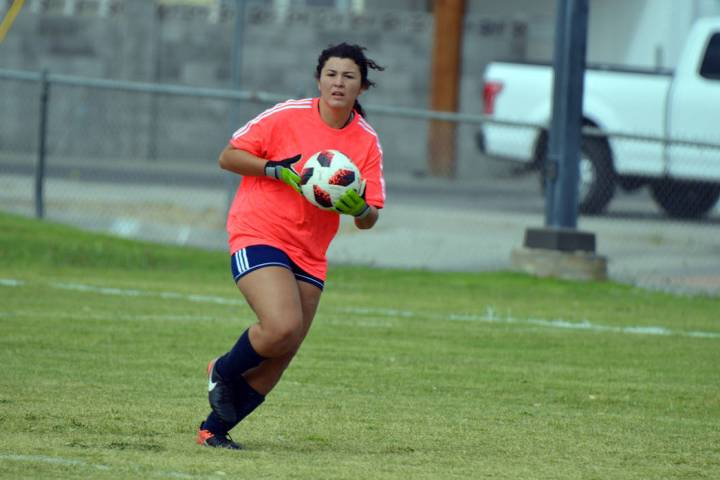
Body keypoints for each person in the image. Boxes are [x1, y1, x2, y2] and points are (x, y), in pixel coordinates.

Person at [196, 42, 386, 449]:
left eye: (348, 76)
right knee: (281, 325)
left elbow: (371, 218)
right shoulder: (287, 116)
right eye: (331, 74)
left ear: (361, 88)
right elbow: (228, 157)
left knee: (282, 351)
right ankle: (223, 370)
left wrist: (359, 209)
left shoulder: (367, 142)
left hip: (310, 253)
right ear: (318, 79)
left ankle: (213, 429)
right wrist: (274, 171)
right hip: (259, 231)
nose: (338, 82)